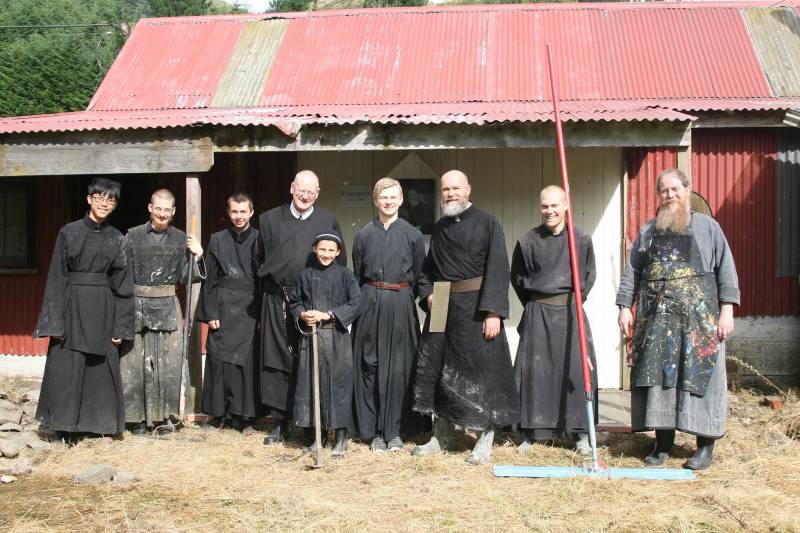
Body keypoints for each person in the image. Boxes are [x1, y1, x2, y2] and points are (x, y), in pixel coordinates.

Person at [617, 168, 739, 470]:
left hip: (701, 323)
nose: (669, 195)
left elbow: (726, 269)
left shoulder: (709, 228)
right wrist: (623, 306)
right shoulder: (648, 231)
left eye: (675, 189)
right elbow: (632, 271)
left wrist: (727, 309)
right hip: (657, 323)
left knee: (702, 381)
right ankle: (663, 443)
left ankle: (704, 445)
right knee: (659, 381)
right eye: (664, 191)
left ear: (688, 190)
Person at [411, 170, 519, 465]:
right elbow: (427, 271)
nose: (450, 193)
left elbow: (499, 267)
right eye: (445, 189)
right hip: (443, 300)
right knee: (436, 363)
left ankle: (485, 437)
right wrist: (429, 293)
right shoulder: (441, 226)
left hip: (476, 304)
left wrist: (494, 311)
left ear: (468, 189)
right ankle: (440, 434)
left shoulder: (487, 222)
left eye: (456, 188)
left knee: (480, 368)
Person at [33, 178, 134, 443]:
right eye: (99, 197)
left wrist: (120, 326)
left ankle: (97, 423)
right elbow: (56, 277)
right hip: (71, 305)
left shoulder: (117, 238)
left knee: (99, 367)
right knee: (68, 364)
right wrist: (54, 323)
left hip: (103, 308)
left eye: (111, 199)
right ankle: (62, 425)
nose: (105, 203)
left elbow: (123, 286)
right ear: (89, 199)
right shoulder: (69, 232)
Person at [256, 170, 346, 444]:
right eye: (301, 190)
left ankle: (310, 425)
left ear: (317, 194)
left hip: (311, 304)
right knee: (279, 361)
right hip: (276, 300)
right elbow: (258, 260)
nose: (305, 196)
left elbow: (338, 266)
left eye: (311, 191)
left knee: (310, 361)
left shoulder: (327, 220)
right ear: (291, 188)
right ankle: (281, 422)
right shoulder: (269, 220)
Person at [511, 185, 597, 456]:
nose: (549, 211)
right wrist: (537, 305)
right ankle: (533, 431)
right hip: (538, 313)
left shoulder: (580, 240)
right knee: (534, 374)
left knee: (574, 372)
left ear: (565, 206)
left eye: (554, 206)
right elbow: (518, 280)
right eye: (544, 206)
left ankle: (580, 433)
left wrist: (568, 304)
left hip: (570, 314)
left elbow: (588, 277)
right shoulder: (527, 242)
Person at [120, 189, 205, 436]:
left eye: (167, 210)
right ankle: (136, 420)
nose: (162, 214)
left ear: (174, 212)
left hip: (167, 305)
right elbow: (122, 275)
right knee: (135, 362)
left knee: (168, 363)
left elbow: (186, 277)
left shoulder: (182, 239)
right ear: (150, 208)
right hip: (137, 305)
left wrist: (197, 255)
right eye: (158, 208)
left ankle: (167, 419)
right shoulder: (132, 236)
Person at [351, 178, 426, 452]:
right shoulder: (363, 236)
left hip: (401, 303)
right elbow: (358, 274)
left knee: (398, 368)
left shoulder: (413, 236)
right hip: (370, 303)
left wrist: (402, 299)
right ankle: (373, 433)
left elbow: (418, 275)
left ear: (401, 199)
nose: (389, 201)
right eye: (384, 197)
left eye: (393, 197)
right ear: (375, 200)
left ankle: (394, 432)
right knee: (369, 365)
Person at [289, 233, 361, 456]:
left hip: (337, 339)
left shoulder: (346, 276)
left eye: (331, 250)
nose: (326, 254)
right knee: (312, 386)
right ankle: (317, 438)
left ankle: (340, 439)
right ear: (314, 249)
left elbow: (356, 303)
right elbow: (295, 301)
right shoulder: (306, 275)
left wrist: (328, 315)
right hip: (311, 339)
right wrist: (302, 314)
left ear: (338, 252)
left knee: (338, 387)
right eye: (322, 250)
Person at [196, 193, 260, 435]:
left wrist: (263, 315)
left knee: (247, 363)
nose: (239, 216)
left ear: (251, 212)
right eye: (234, 212)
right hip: (222, 305)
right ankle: (217, 414)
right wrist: (210, 310)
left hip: (250, 307)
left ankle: (246, 418)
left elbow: (264, 278)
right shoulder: (217, 239)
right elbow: (210, 279)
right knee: (218, 360)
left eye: (243, 212)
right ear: (228, 212)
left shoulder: (260, 239)